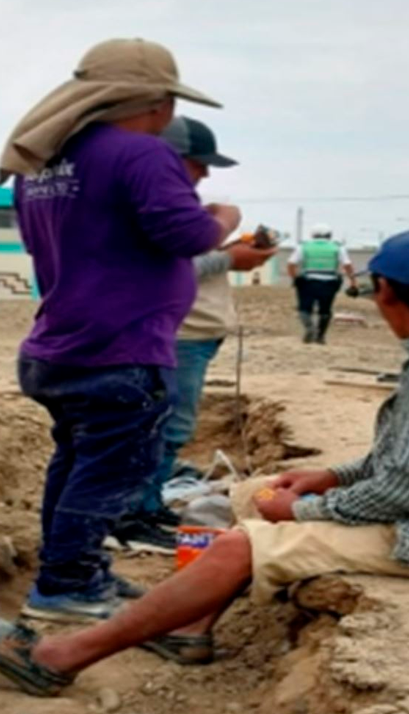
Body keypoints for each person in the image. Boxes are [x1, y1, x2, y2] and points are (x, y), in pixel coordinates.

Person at [0, 229, 409, 696]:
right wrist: (329, 477)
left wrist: (307, 511)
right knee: (250, 495)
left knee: (244, 543)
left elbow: (408, 487)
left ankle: (55, 659)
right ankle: (188, 627)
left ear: (383, 290)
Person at [0, 38, 243, 624]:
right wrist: (224, 218)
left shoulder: (43, 163)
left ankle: (71, 571)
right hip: (120, 347)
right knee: (110, 470)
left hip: (62, 344)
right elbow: (188, 236)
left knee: (77, 462)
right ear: (157, 103)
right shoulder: (141, 154)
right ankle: (66, 587)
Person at [110, 116, 276, 553]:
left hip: (190, 334)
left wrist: (226, 248)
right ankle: (131, 517)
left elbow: (183, 260)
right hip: (175, 335)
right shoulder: (142, 206)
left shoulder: (168, 206)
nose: (203, 174)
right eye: (197, 163)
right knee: (164, 427)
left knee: (168, 426)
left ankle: (146, 508)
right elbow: (159, 271)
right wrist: (230, 259)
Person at [287, 224, 358, 344]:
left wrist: (295, 277)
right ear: (329, 235)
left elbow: (291, 264)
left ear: (313, 235)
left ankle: (309, 328)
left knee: (304, 308)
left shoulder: (303, 246)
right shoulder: (337, 247)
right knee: (325, 310)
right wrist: (353, 282)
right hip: (329, 282)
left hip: (308, 281)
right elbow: (347, 265)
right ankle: (320, 336)